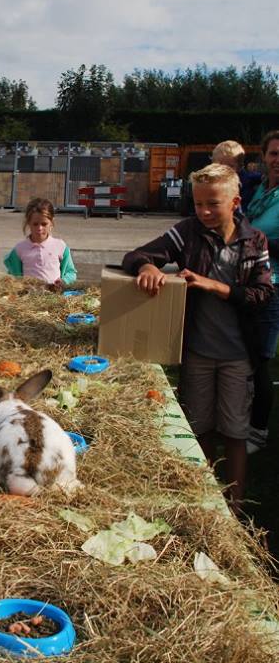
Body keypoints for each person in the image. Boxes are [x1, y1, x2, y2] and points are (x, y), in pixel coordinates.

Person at [122, 163, 272, 512]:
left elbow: (263, 294)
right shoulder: (188, 232)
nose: (203, 211)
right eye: (198, 203)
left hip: (238, 355)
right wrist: (147, 266)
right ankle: (204, 500)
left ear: (235, 202)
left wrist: (214, 286)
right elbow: (137, 255)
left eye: (213, 204)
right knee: (199, 429)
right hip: (197, 353)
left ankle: (234, 505)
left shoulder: (254, 240)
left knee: (235, 432)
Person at [245, 130, 279, 453]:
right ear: (265, 157)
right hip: (250, 282)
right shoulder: (261, 191)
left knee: (261, 359)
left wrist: (260, 244)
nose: (278, 161)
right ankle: (245, 420)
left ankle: (258, 431)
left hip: (274, 286)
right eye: (274, 154)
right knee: (246, 353)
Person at [4, 197, 76, 290]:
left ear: (51, 222)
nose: (39, 228)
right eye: (35, 224)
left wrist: (64, 281)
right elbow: (14, 276)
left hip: (55, 298)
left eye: (44, 224)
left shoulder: (60, 246)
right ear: (28, 222)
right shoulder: (19, 249)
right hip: (29, 299)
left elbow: (71, 272)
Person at [211, 139, 262, 212]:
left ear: (239, 167)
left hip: (244, 215)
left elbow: (264, 178)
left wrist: (259, 168)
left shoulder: (246, 178)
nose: (223, 170)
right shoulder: (212, 180)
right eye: (219, 165)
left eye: (229, 166)